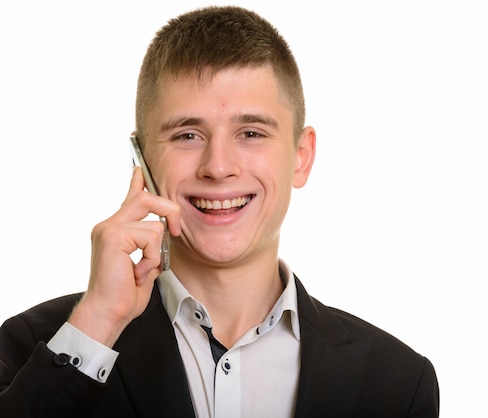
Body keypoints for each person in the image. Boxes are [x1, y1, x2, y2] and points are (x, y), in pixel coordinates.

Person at [0, 5, 439, 418]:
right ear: (142, 160)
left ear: (301, 157)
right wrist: (98, 322)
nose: (218, 167)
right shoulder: (35, 348)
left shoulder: (396, 382)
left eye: (250, 132)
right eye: (187, 135)